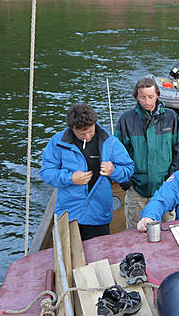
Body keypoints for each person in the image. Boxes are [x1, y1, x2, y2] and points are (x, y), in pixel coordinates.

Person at [40, 102, 134, 240]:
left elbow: (128, 169)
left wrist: (113, 171)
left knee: (99, 257)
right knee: (69, 258)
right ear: (72, 128)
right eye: (81, 134)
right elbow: (47, 172)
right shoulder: (57, 142)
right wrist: (70, 178)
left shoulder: (110, 142)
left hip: (98, 215)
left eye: (90, 131)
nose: (87, 137)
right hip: (68, 215)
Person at [115, 76, 179, 229]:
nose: (147, 101)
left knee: (170, 230)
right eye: (142, 97)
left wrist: (172, 179)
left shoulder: (171, 117)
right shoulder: (126, 120)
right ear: (136, 96)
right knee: (136, 231)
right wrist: (125, 182)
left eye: (150, 97)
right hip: (136, 188)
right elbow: (117, 154)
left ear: (157, 95)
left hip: (166, 188)